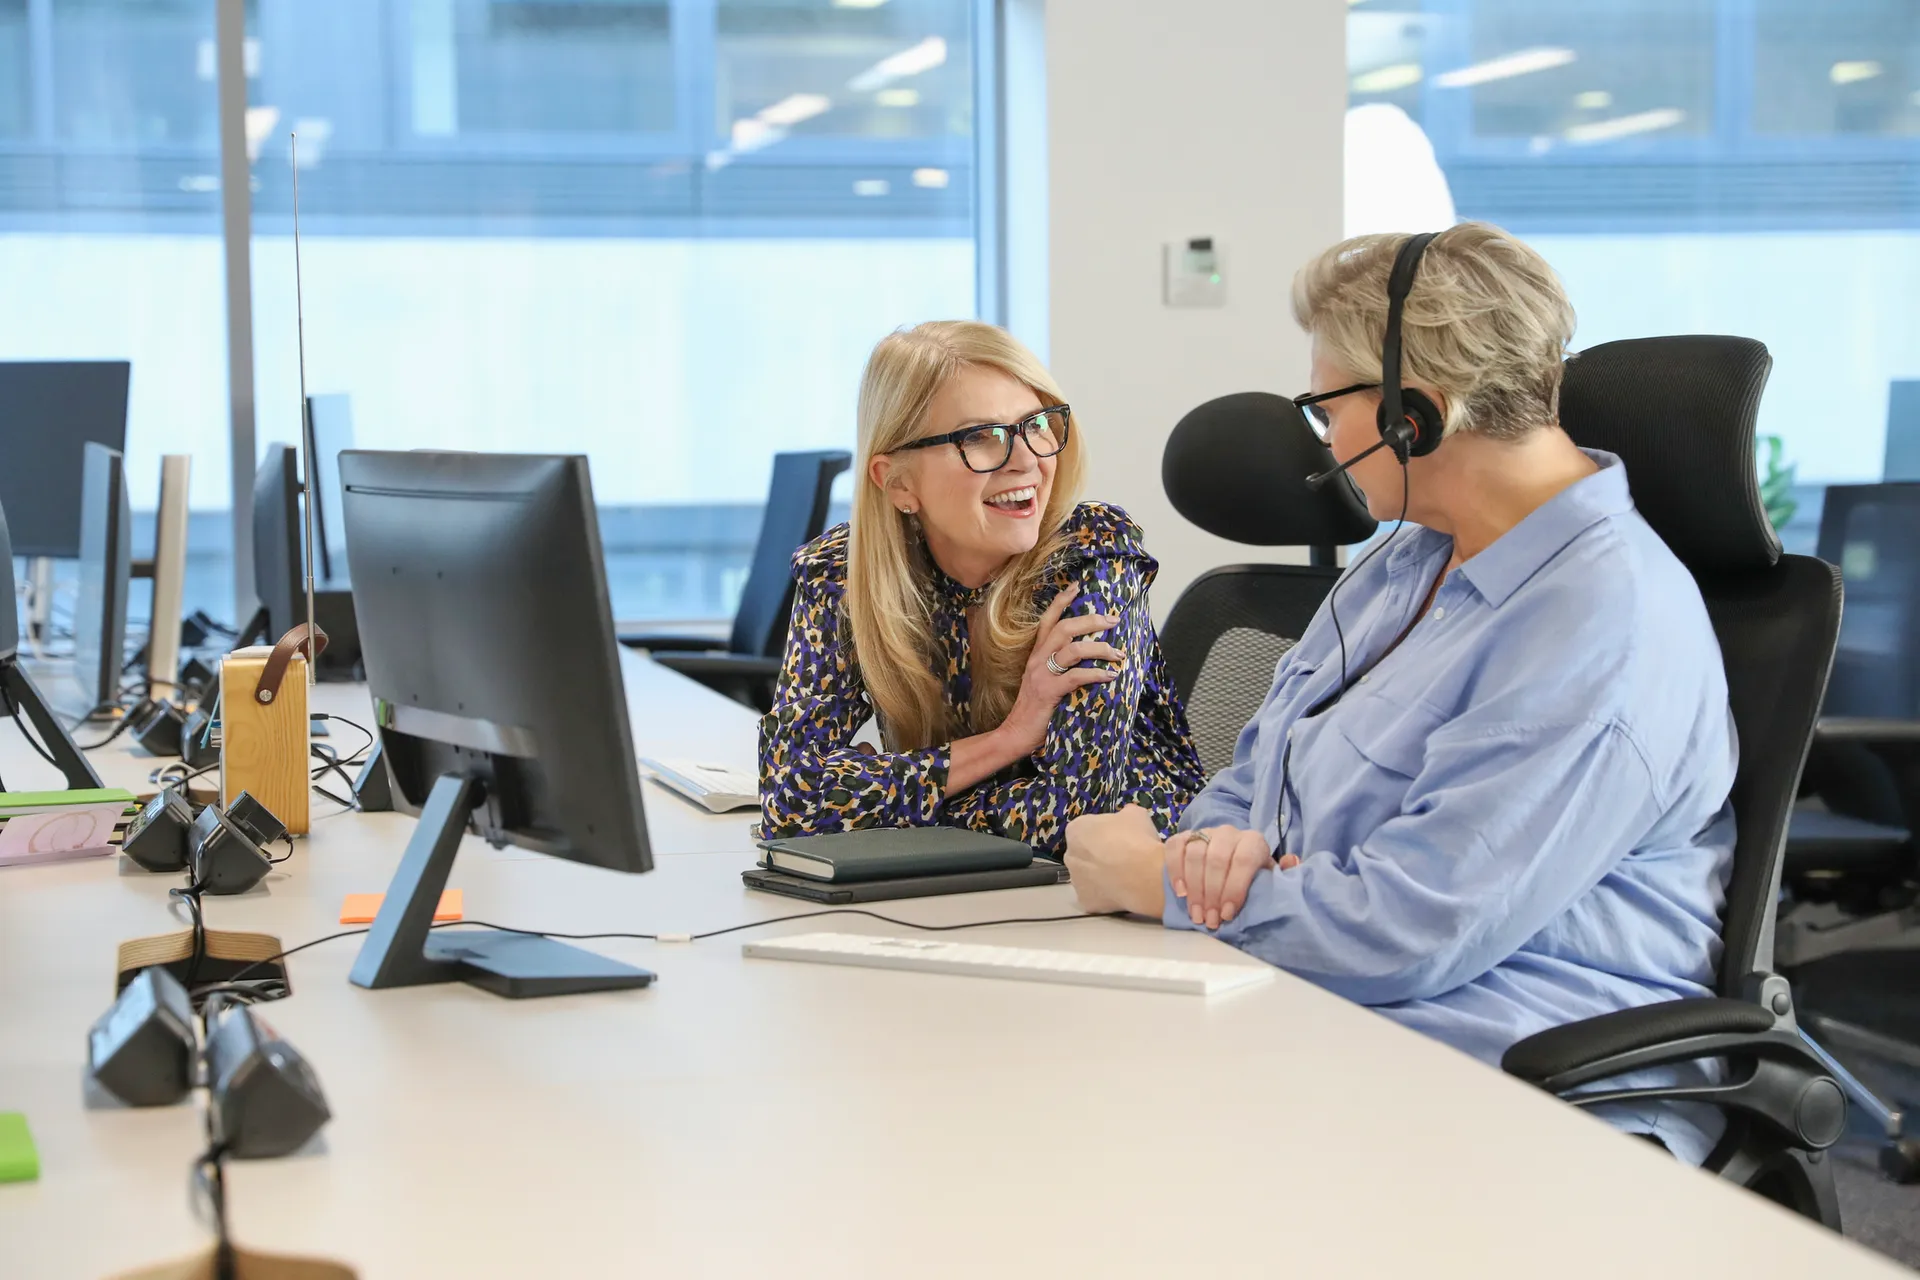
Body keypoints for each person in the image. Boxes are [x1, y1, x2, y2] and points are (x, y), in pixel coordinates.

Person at [1064, 223, 1737, 1163]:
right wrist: (1215, 857)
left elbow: (1415, 928)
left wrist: (1161, 881)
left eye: (1326, 404)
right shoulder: (1405, 562)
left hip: (1515, 1089)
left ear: (1414, 414)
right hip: (1331, 1016)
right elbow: (1257, 774)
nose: (1323, 436)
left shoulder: (1603, 625)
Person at [758, 320, 1205, 855]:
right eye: (980, 438)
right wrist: (1009, 739)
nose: (1028, 460)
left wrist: (887, 806)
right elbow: (791, 797)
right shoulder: (846, 574)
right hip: (959, 888)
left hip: (1127, 887)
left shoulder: (1091, 557)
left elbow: (1075, 816)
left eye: (1036, 425)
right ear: (898, 482)